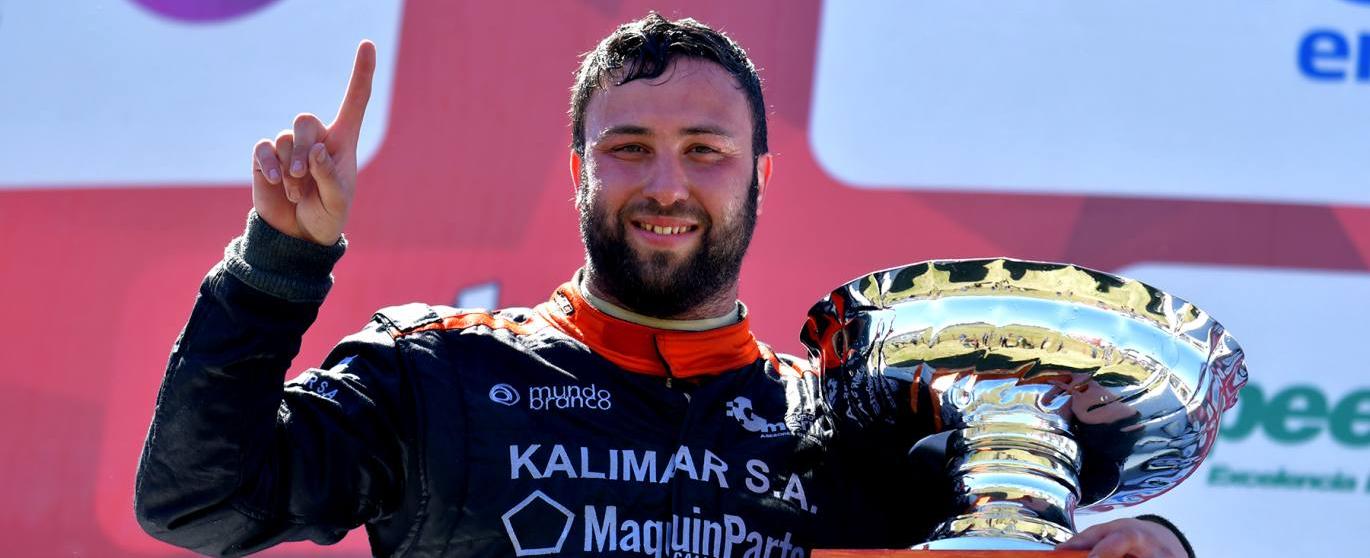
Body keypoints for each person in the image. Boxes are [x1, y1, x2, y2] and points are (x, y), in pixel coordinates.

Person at [134, 14, 1194, 558]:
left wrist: (1150, 542)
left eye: (705, 150)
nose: (666, 185)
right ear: (578, 170)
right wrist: (277, 264)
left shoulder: (841, 430)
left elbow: (1016, 520)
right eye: (629, 147)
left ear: (758, 177)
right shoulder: (439, 372)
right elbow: (200, 504)